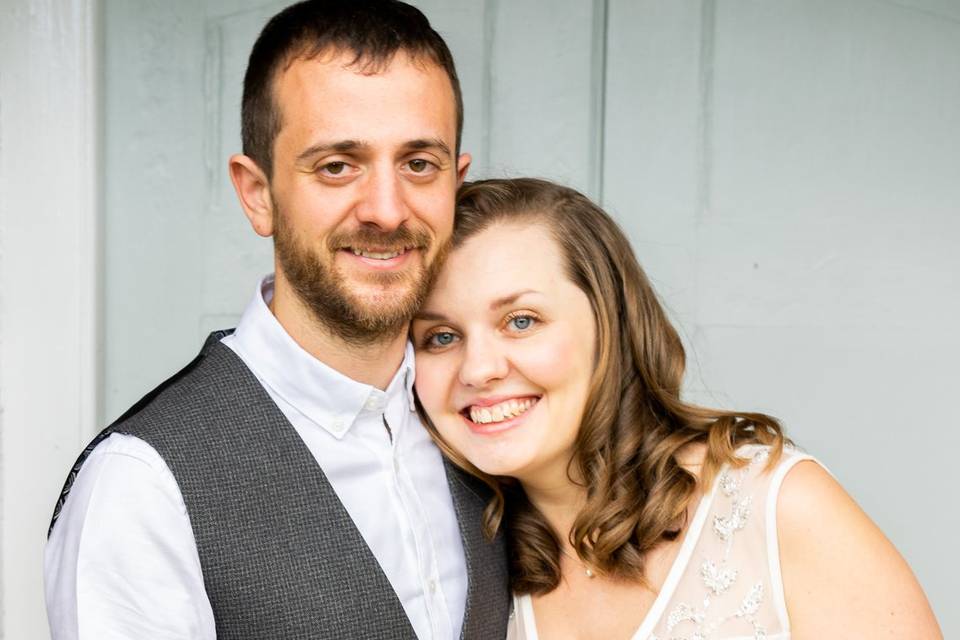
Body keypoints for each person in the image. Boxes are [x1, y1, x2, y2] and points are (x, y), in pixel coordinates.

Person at [43, 2, 510, 638]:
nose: (385, 209)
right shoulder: (142, 488)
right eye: (337, 166)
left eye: (418, 164)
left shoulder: (491, 420)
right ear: (257, 193)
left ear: (455, 183)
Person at [411, 178, 942, 640]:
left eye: (521, 321)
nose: (477, 370)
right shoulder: (459, 565)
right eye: (440, 337)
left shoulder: (774, 507)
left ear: (610, 324)